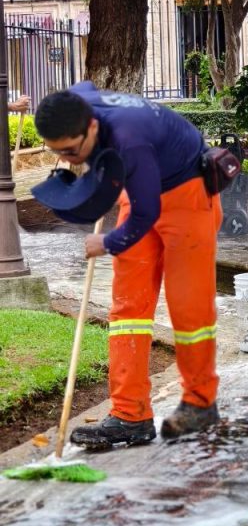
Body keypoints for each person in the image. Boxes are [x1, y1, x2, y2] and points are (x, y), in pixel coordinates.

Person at [34, 82, 222, 448]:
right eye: (60, 154)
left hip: (187, 194)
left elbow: (147, 212)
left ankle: (201, 403)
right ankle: (129, 414)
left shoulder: (130, 138)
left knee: (189, 310)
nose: (70, 160)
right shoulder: (77, 104)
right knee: (128, 307)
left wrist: (106, 243)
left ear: (91, 127)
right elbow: (84, 85)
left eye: (72, 151)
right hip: (139, 189)